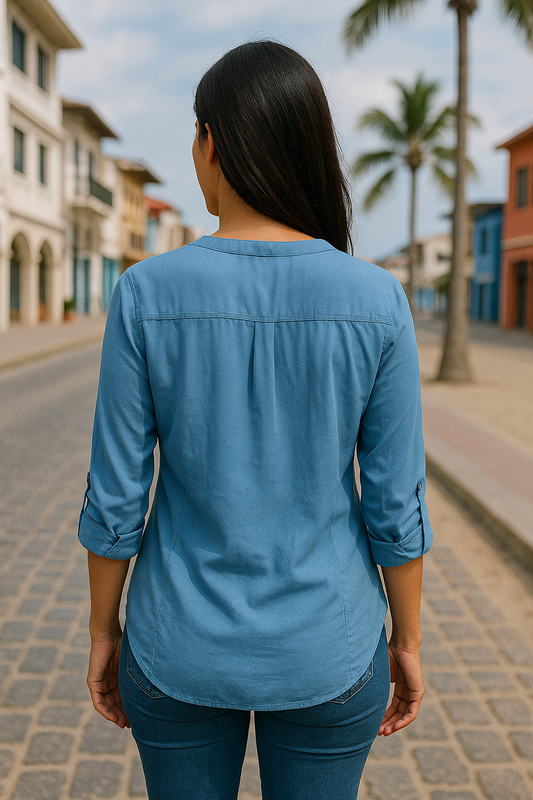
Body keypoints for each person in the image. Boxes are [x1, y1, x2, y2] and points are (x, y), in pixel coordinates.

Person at [79, 40, 433, 800]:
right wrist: (405, 641)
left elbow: (114, 499)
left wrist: (104, 632)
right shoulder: (377, 301)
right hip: (329, 651)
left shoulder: (144, 292)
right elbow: (394, 507)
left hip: (175, 648)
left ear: (211, 145)